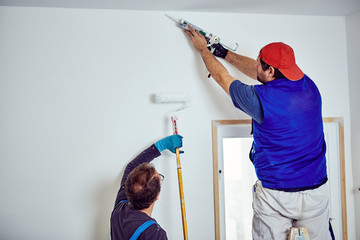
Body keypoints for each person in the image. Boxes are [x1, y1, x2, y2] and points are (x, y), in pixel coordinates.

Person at [184, 26, 332, 240]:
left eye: (260, 64)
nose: (256, 67)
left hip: (277, 194)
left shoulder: (258, 99)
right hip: (316, 191)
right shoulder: (309, 86)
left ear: (271, 71)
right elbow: (258, 71)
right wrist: (223, 53)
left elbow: (222, 77)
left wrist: (202, 50)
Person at [111, 134, 183, 240]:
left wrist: (160, 145)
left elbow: (131, 167)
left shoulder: (120, 207)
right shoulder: (154, 234)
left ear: (128, 188)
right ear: (157, 196)